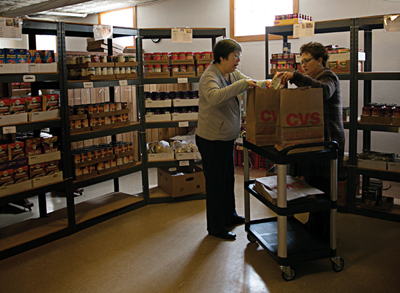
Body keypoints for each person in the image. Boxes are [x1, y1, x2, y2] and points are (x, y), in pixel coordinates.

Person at [196, 38, 269, 240]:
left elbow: (250, 82)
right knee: (216, 184)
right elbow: (214, 97)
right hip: (212, 140)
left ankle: (229, 215)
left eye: (239, 56)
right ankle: (216, 227)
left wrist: (269, 84)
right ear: (221, 57)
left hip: (226, 138)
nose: (238, 60)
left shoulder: (232, 73)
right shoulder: (210, 76)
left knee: (227, 180)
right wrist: (242, 85)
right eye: (234, 56)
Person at [277, 42, 345, 241]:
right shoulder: (313, 78)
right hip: (315, 142)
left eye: (307, 61)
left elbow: (322, 91)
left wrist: (297, 77)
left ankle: (323, 235)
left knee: (324, 190)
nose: (303, 65)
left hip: (328, 142)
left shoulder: (328, 77)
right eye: (301, 62)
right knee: (314, 188)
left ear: (320, 60)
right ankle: (314, 228)